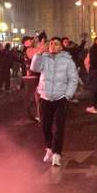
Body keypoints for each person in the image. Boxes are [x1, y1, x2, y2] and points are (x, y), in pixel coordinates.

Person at [31, 37, 79, 178]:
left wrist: (67, 95)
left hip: (60, 99)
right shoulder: (44, 58)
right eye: (51, 43)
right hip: (45, 97)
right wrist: (38, 53)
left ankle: (57, 153)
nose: (52, 45)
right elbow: (34, 68)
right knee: (45, 126)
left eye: (56, 44)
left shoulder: (68, 61)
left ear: (61, 48)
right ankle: (49, 149)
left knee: (58, 126)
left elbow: (73, 79)